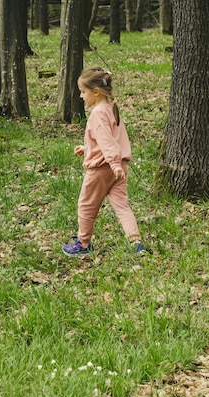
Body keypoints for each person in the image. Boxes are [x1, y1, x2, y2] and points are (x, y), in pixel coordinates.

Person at [62, 66, 145, 256]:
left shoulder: (98, 113)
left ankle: (83, 244)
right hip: (119, 167)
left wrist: (113, 163)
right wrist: (88, 149)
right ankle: (135, 242)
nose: (82, 97)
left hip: (103, 168)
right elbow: (108, 139)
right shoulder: (111, 108)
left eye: (83, 92)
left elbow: (107, 142)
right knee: (122, 205)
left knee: (86, 204)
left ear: (96, 92)